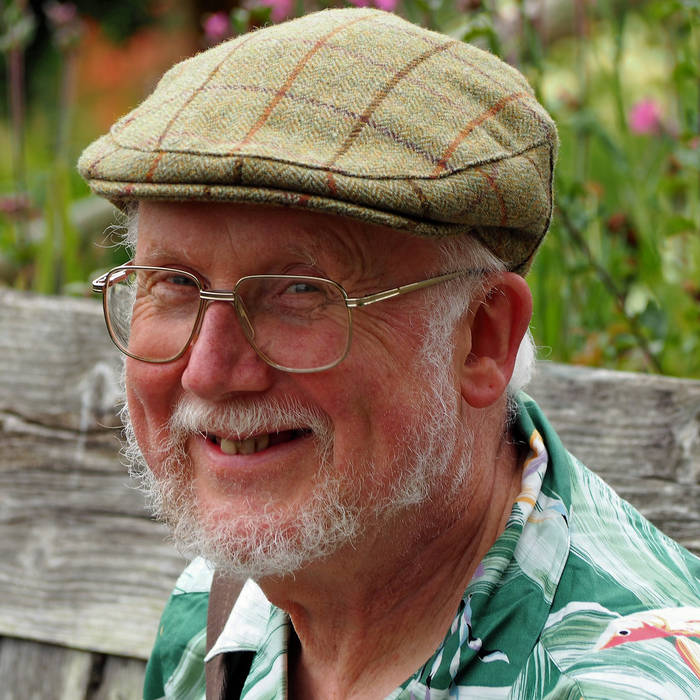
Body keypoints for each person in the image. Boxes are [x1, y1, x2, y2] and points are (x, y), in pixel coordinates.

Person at [79, 8, 700, 699]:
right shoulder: (227, 606)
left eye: (300, 291)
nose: (209, 370)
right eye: (174, 283)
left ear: (482, 338)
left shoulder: (620, 681)